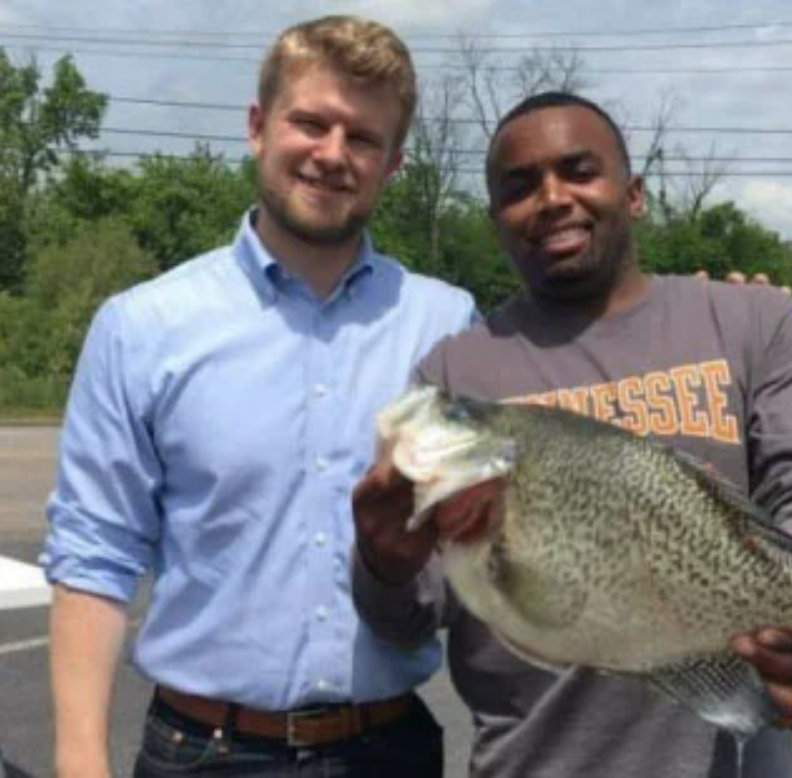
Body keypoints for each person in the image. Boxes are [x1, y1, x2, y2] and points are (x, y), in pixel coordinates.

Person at [352, 92, 792, 778]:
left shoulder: (754, 321)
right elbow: (410, 615)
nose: (551, 198)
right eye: (519, 187)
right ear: (496, 221)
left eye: (578, 170)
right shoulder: (454, 378)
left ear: (633, 194)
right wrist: (383, 562)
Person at [43, 15, 475, 778]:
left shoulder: (446, 328)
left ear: (394, 162)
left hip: (390, 751)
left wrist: (732, 329)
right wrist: (81, 762)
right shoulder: (144, 327)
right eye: (309, 122)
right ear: (257, 126)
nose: (332, 154)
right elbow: (95, 555)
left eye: (363, 138)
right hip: (202, 753)